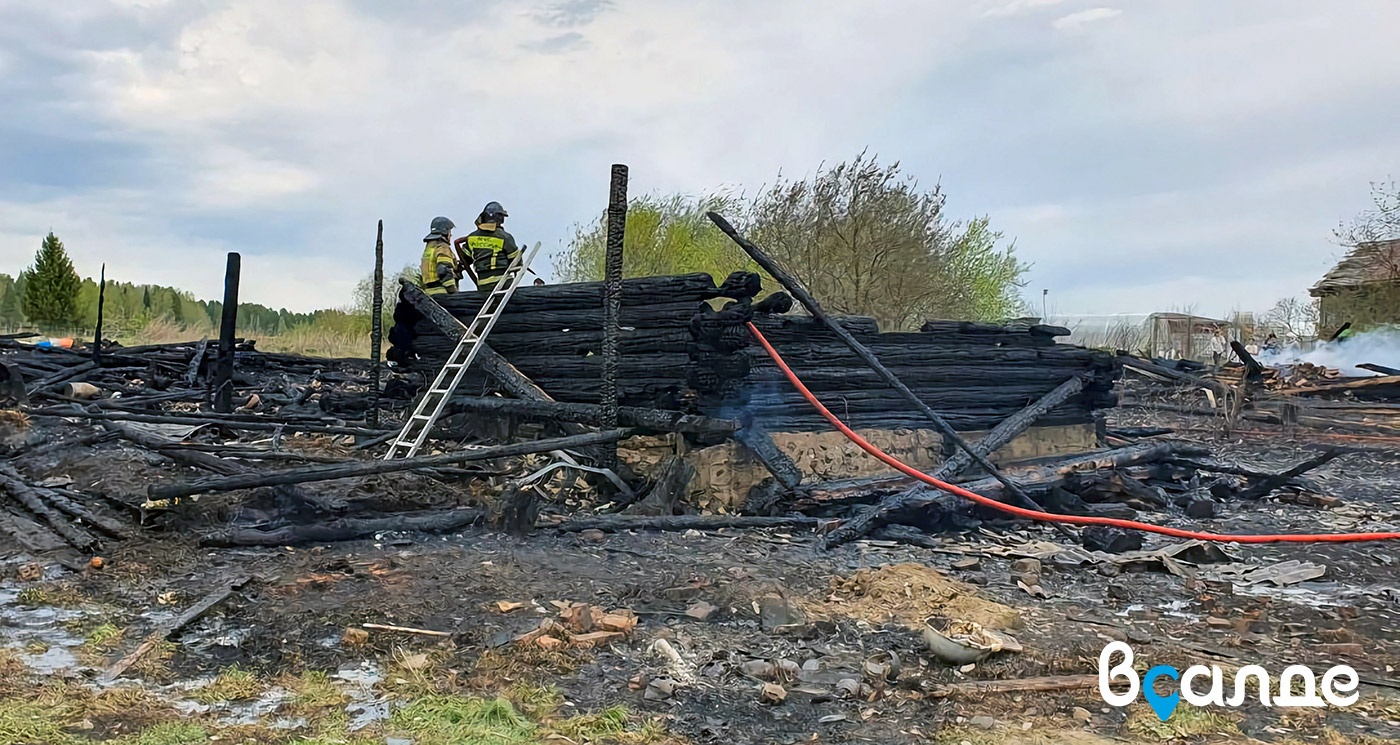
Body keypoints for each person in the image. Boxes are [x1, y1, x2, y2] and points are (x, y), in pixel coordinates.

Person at [454, 201, 521, 290]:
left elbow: (465, 260)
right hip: (502, 283)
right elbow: (517, 262)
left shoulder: (472, 237)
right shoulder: (505, 237)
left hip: (482, 285)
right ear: (500, 218)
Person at [418, 216, 461, 296]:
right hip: (443, 293)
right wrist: (453, 292)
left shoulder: (429, 247)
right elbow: (443, 269)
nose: (450, 235)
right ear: (445, 232)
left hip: (429, 294)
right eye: (449, 231)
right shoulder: (442, 247)